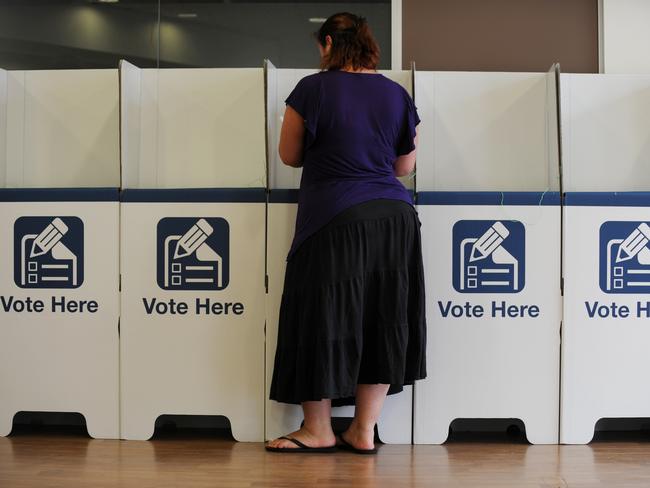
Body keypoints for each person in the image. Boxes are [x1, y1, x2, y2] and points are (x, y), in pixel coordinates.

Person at [266, 12, 426, 454]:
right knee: (383, 316)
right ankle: (363, 430)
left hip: (334, 218)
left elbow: (289, 154)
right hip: (395, 218)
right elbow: (405, 167)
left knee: (320, 314)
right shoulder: (397, 94)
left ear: (329, 44)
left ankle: (317, 430)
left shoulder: (312, 89)